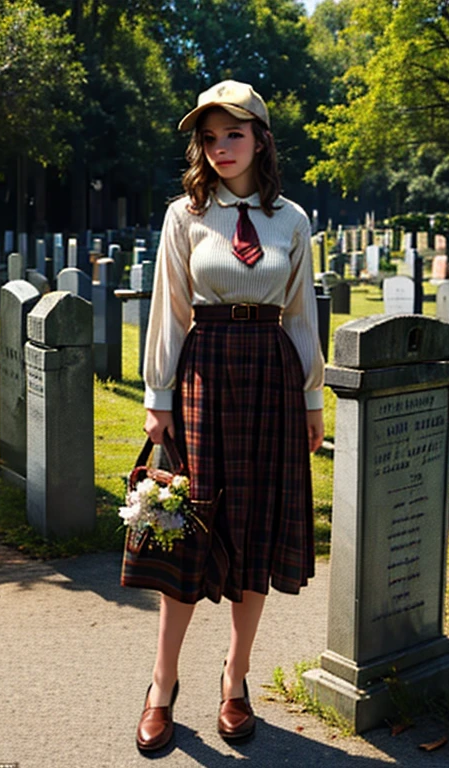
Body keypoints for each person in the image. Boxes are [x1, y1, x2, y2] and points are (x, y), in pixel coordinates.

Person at [133, 79, 324, 754]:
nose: (219, 148)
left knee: (256, 530)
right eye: (208, 138)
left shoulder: (293, 221)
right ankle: (162, 683)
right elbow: (170, 310)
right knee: (185, 530)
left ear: (261, 139)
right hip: (204, 377)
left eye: (232, 134)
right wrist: (157, 398)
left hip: (271, 378)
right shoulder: (184, 215)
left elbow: (302, 316)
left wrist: (311, 399)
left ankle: (235, 679)